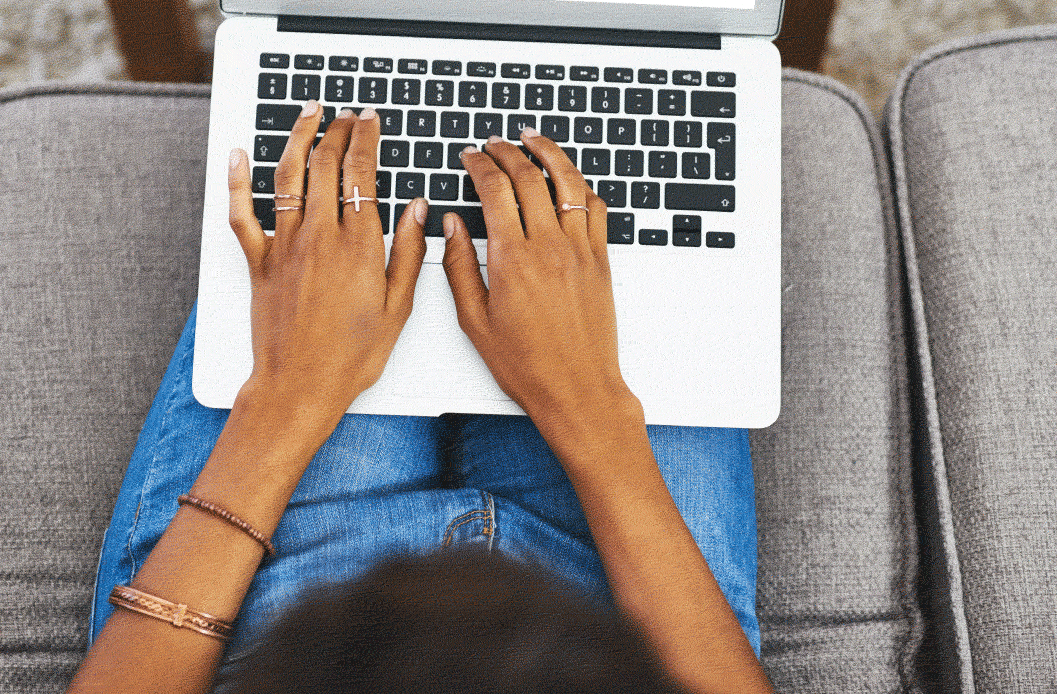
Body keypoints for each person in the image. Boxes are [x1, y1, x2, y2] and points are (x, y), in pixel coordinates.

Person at [67, 101, 772, 694]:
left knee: (322, 234)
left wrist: (281, 403)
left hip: (290, 646)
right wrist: (596, 417)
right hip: (612, 649)